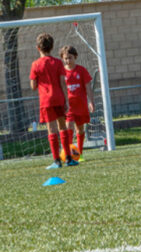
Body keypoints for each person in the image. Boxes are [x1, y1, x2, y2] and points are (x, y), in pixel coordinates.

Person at [30, 33, 76, 169]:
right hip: (59, 98)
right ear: (52, 47)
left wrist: (40, 80)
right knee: (63, 127)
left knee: (51, 130)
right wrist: (66, 101)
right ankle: (68, 158)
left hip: (46, 101)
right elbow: (63, 82)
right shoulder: (57, 62)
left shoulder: (35, 64)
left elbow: (33, 86)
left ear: (38, 48)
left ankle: (56, 161)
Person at [60, 45, 94, 160]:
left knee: (80, 129)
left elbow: (88, 87)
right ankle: (68, 154)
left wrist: (91, 101)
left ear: (75, 57)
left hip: (81, 106)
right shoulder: (62, 73)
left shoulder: (81, 70)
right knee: (69, 127)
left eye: (70, 58)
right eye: (65, 58)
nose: (67, 60)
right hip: (69, 106)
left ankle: (80, 154)